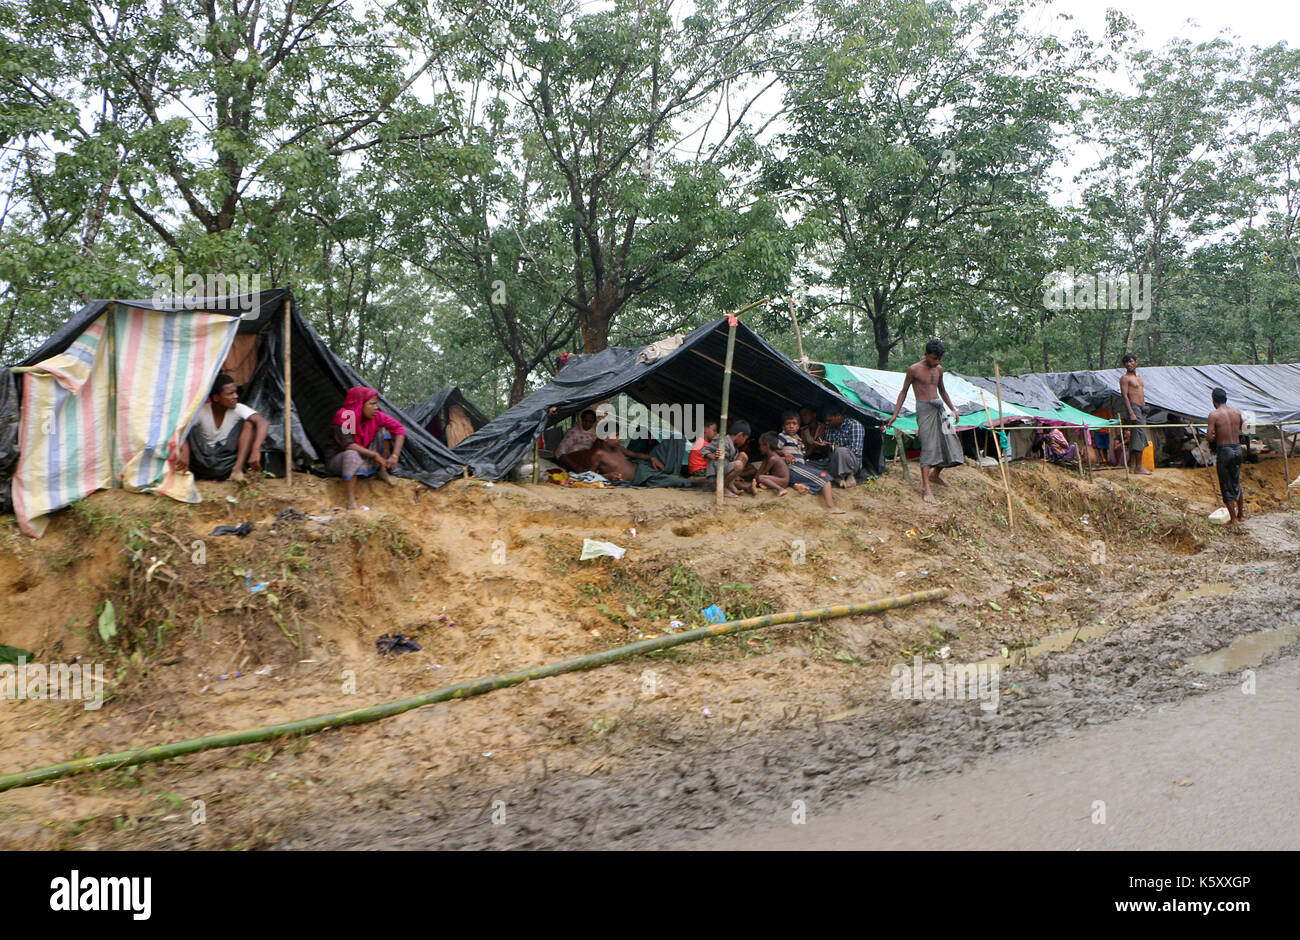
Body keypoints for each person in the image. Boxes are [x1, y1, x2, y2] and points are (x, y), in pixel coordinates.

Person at [883, 339, 962, 503]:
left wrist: (953, 409)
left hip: (939, 409)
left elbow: (943, 391)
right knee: (928, 446)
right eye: (934, 358)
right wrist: (895, 414)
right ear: (926, 354)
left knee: (950, 443)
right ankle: (926, 488)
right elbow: (903, 392)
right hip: (924, 410)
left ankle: (936, 475)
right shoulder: (914, 369)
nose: (937, 361)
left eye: (939, 358)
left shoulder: (939, 369)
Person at [173, 373, 269, 482]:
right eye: (230, 394)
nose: (236, 396)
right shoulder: (201, 411)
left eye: (235, 392)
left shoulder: (238, 409)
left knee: (249, 425)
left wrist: (256, 450)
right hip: (203, 462)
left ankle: (237, 471)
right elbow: (180, 428)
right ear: (216, 398)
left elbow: (263, 422)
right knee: (187, 427)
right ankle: (187, 472)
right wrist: (185, 450)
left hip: (228, 463)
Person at [324, 386, 406, 510]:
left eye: (376, 404)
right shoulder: (347, 416)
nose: (376, 407)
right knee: (351, 454)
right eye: (371, 404)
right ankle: (351, 500)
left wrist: (395, 455)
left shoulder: (376, 416)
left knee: (384, 431)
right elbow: (348, 445)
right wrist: (374, 455)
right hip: (339, 460)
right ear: (360, 404)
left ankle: (381, 470)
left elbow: (400, 429)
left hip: (361, 457)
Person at [776, 411, 845, 512]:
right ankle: (831, 507)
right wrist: (784, 453)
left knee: (820, 471)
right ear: (783, 427)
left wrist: (814, 445)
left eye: (794, 424)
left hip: (799, 466)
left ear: (798, 426)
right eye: (788, 424)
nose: (791, 426)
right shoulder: (782, 436)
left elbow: (805, 455)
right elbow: (774, 450)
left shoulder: (798, 439)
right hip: (792, 467)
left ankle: (797, 485)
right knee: (824, 477)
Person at [587, 433, 691, 487]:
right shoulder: (599, 454)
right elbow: (589, 476)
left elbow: (635, 454)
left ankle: (673, 472)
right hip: (642, 478)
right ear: (605, 438)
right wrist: (607, 476)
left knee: (677, 438)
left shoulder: (619, 448)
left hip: (645, 465)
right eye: (616, 435)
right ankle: (673, 476)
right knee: (681, 482)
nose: (619, 438)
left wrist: (652, 458)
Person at [1206, 387, 1245, 524]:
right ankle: (1241, 515)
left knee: (1226, 484)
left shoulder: (1214, 415)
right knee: (1236, 482)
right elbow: (1243, 428)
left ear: (1214, 400)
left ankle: (1233, 519)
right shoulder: (1236, 412)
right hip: (1238, 449)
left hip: (1225, 450)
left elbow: (1210, 437)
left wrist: (1217, 436)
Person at [808, 404, 863, 487]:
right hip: (832, 461)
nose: (827, 423)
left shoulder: (854, 425)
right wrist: (822, 445)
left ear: (838, 416)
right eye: (826, 421)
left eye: (829, 420)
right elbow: (827, 450)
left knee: (841, 451)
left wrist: (833, 447)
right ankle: (837, 476)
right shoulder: (829, 427)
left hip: (851, 464)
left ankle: (848, 476)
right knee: (808, 464)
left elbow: (855, 450)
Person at [1118, 352, 1152, 475]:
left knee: (1137, 437)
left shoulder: (1139, 377)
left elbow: (1140, 393)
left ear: (1136, 362)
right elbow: (1125, 396)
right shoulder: (1125, 378)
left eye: (1131, 361)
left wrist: (1144, 409)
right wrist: (1131, 412)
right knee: (1139, 435)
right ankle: (1138, 466)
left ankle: (1132, 466)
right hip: (1134, 408)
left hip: (1141, 408)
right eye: (1126, 362)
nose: (1129, 364)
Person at [701, 420, 751, 497]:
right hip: (716, 475)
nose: (745, 442)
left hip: (725, 470)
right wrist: (713, 456)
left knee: (743, 456)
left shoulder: (734, 446)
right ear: (740, 435)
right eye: (745, 439)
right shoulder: (721, 439)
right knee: (738, 465)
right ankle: (721, 489)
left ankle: (730, 484)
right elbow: (704, 450)